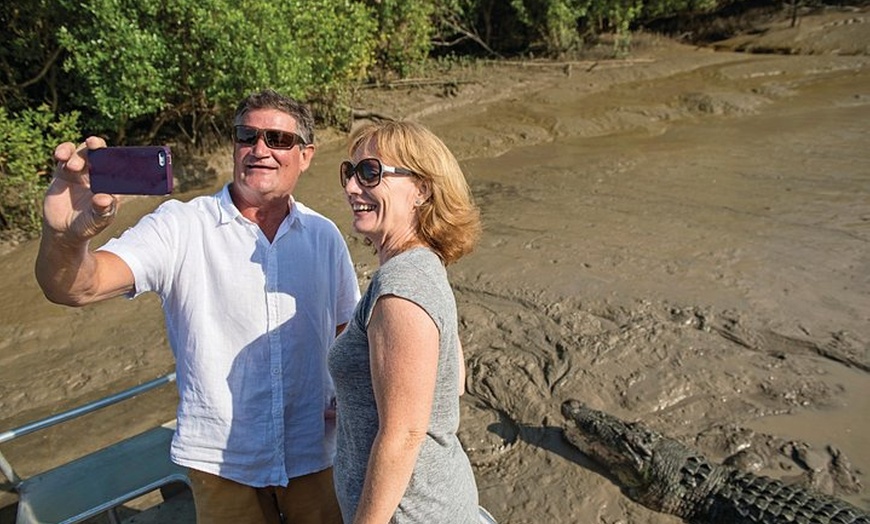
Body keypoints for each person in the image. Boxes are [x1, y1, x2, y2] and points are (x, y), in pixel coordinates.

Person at [35, 89, 361, 524]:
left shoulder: (325, 235)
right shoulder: (180, 226)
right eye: (248, 136)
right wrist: (66, 237)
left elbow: (344, 329)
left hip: (315, 450)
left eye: (278, 140)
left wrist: (349, 399)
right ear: (234, 146)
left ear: (305, 155)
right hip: (221, 463)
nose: (260, 149)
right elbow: (79, 287)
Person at [327, 120, 482, 523]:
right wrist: (352, 399)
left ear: (422, 189)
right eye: (350, 171)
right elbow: (456, 382)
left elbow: (404, 435)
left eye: (370, 172)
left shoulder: (402, 285)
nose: (351, 187)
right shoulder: (422, 267)